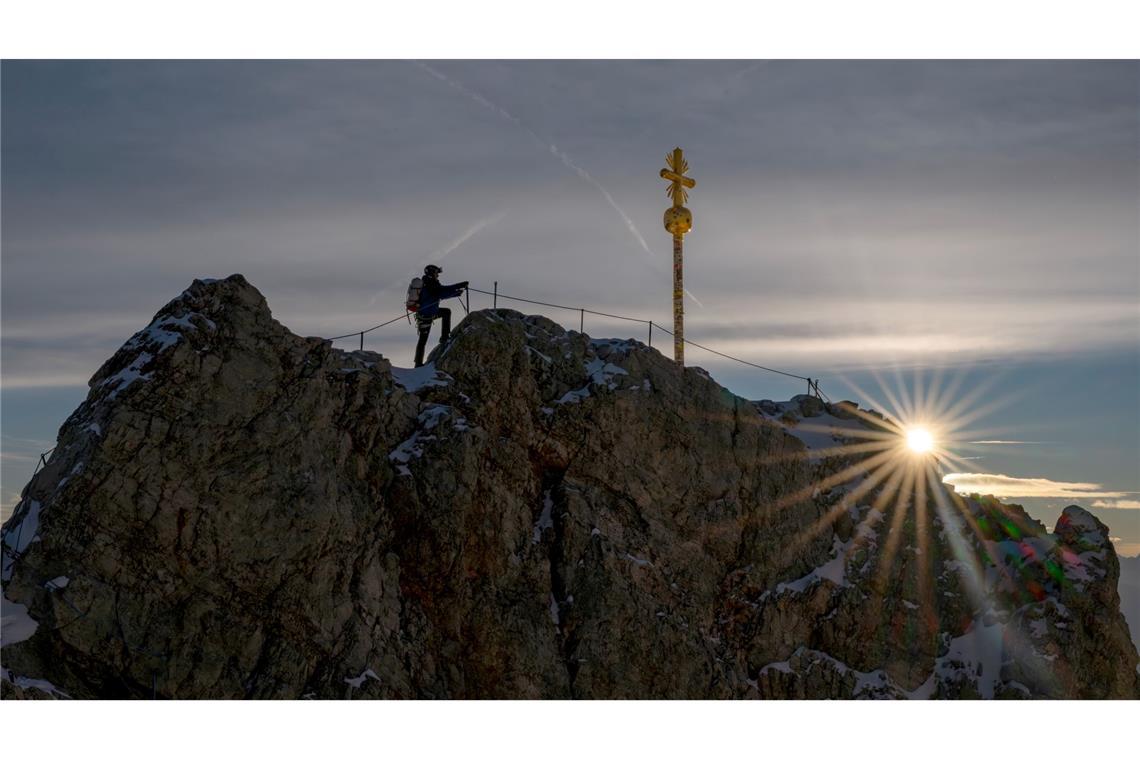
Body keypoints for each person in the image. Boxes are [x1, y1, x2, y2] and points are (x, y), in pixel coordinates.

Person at [414, 264, 467, 367]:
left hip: (426, 314)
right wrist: (457, 289)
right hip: (427, 315)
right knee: (423, 339)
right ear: (432, 273)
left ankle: (418, 362)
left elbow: (442, 291)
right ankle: (444, 337)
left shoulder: (429, 283)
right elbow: (441, 293)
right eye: (436, 273)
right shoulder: (430, 284)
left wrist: (456, 291)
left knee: (423, 339)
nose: (437, 275)